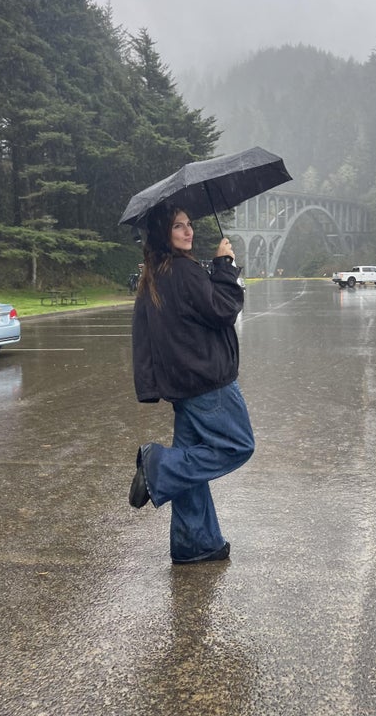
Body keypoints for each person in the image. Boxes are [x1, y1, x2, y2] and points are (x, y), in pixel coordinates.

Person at [128, 203, 254, 564]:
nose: (188, 231)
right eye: (178, 226)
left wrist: (152, 385)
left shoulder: (155, 275)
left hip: (182, 387)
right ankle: (159, 467)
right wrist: (225, 266)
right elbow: (223, 309)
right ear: (162, 234)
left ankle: (195, 543)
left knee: (190, 470)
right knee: (238, 445)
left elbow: (146, 334)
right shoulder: (184, 270)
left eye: (189, 224)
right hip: (209, 383)